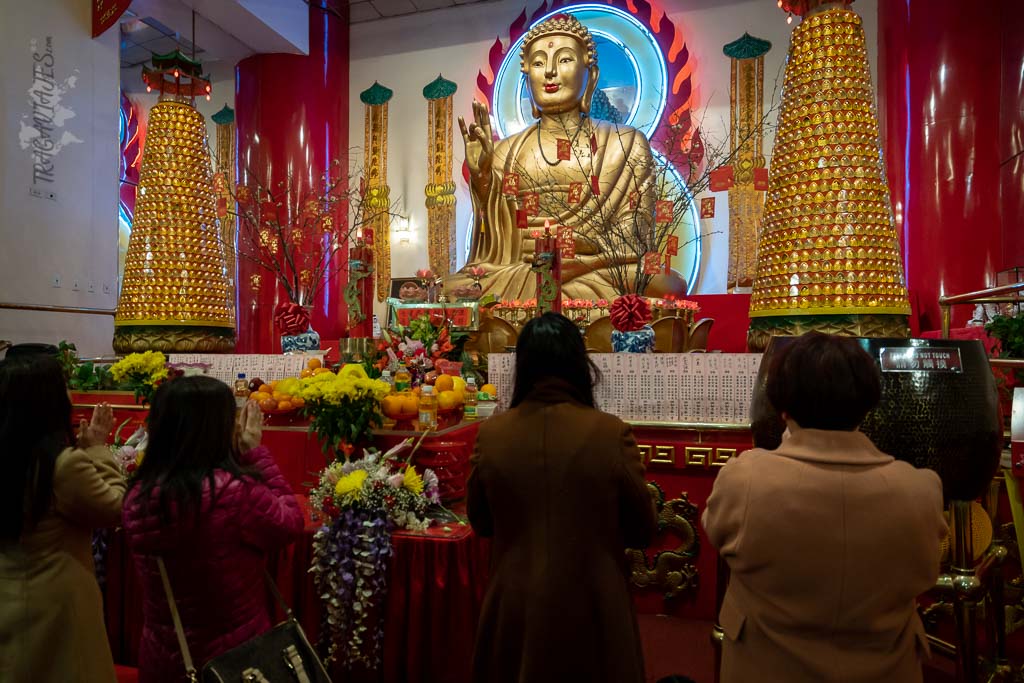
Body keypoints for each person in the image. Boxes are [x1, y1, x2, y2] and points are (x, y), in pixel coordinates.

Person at [703, 332, 948, 683]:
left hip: (766, 667)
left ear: (782, 405)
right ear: (867, 402)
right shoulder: (920, 488)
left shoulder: (745, 479)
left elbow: (715, 531)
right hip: (888, 669)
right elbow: (926, 572)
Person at [467, 312, 658, 683]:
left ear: (521, 367)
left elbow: (481, 522)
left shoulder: (492, 435)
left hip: (514, 603)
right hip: (594, 603)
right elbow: (642, 529)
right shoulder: (610, 433)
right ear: (579, 364)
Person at [448, 13, 685, 301]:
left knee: (660, 282)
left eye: (564, 60)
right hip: (522, 271)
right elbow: (492, 250)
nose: (549, 72)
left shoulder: (625, 143)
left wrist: (581, 259)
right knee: (450, 288)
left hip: (596, 271)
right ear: (526, 78)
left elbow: (635, 239)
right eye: (538, 63)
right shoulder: (504, 151)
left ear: (591, 76)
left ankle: (545, 299)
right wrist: (483, 177)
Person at [122, 376, 303, 683]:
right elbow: (289, 523)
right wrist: (254, 453)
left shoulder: (137, 496)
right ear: (215, 429)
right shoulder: (232, 493)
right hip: (236, 659)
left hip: (165, 655)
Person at [0, 354, 122, 682]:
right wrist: (98, 450)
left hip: (10, 593)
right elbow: (113, 507)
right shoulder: (61, 465)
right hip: (58, 605)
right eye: (64, 385)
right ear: (48, 401)